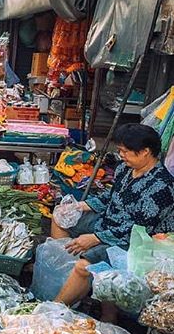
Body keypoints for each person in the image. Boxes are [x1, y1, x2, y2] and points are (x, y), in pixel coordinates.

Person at [54, 123, 174, 307]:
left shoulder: (162, 187)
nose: (121, 155)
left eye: (125, 151)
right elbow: (109, 197)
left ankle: (55, 307)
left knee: (83, 266)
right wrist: (79, 206)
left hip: (133, 242)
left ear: (145, 152)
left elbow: (139, 229)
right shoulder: (125, 169)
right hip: (108, 224)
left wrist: (95, 238)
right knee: (59, 219)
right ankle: (67, 276)